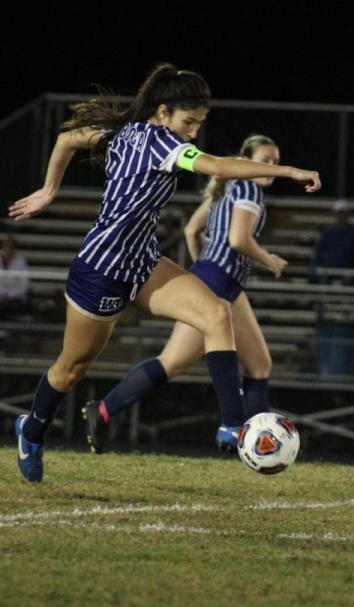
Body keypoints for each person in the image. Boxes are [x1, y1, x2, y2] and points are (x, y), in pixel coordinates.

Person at [7, 63, 321, 482]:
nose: (192, 131)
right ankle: (31, 429)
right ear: (161, 113)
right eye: (187, 122)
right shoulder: (161, 143)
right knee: (72, 368)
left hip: (143, 262)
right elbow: (220, 168)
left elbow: (69, 139)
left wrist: (51, 189)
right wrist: (287, 171)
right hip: (102, 269)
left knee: (216, 314)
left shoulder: (123, 132)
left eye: (198, 123)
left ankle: (233, 425)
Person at [81, 134, 287, 452]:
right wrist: (268, 259)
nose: (271, 167)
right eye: (265, 160)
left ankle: (261, 443)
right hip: (218, 284)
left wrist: (202, 265)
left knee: (260, 364)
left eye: (275, 161)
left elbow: (192, 230)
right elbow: (238, 239)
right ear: (246, 161)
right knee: (171, 362)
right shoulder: (248, 188)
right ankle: (103, 411)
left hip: (224, 283)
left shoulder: (227, 187)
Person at [309, 200, 354, 376]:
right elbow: (318, 257)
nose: (341, 217)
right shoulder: (328, 233)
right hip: (330, 282)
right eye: (338, 213)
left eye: (343, 213)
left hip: (348, 283)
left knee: (345, 317)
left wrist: (353, 276)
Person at [0, 235, 32, 322]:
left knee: (6, 308)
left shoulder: (21, 262)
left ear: (14, 248)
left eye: (10, 247)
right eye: (5, 247)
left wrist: (8, 295)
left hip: (15, 298)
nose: (7, 250)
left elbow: (24, 285)